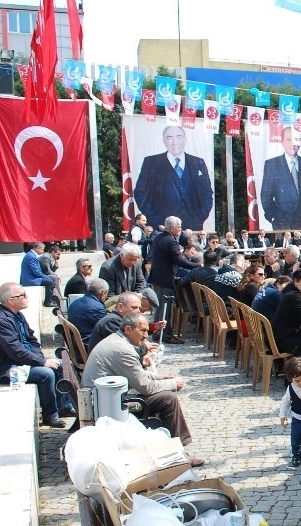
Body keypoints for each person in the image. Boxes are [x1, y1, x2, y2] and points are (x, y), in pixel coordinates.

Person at [83, 312, 205, 466]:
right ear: (128, 329)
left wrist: (164, 378)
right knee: (168, 399)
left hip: (107, 396)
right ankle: (178, 453)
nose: (146, 336)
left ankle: (174, 448)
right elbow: (145, 387)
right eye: (143, 331)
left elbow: (138, 376)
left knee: (165, 394)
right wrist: (173, 384)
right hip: (107, 404)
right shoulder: (122, 350)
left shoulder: (118, 341)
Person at [0, 282, 74, 428]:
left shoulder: (17, 315)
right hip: (4, 368)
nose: (26, 297)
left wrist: (40, 357)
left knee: (60, 364)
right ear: (11, 300)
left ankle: (63, 406)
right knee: (45, 374)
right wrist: (41, 362)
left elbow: (32, 339)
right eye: (22, 295)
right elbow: (15, 351)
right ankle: (51, 416)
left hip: (18, 361)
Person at [134, 126, 213, 230]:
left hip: (193, 228)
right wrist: (155, 219)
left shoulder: (198, 162)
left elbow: (207, 193)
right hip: (162, 228)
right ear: (164, 141)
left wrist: (199, 217)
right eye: (169, 137)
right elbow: (140, 192)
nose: (174, 142)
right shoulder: (151, 162)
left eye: (179, 137)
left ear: (185, 140)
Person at [148, 216, 198, 344]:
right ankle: (166, 335)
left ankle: (158, 332)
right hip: (165, 278)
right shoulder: (171, 241)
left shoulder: (158, 237)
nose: (181, 229)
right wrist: (197, 266)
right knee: (165, 308)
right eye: (179, 227)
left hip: (158, 276)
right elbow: (179, 260)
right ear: (171, 228)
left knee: (160, 307)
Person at [261, 127, 301, 230]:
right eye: (289, 140)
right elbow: (266, 195)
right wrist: (272, 217)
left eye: (296, 140)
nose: (292, 144)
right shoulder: (271, 164)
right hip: (282, 222)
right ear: (282, 142)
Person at [67, 278, 109, 343]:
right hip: (88, 345)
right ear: (103, 293)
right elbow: (107, 330)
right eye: (106, 294)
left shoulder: (76, 302)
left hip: (77, 342)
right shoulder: (97, 308)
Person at [21, 242, 60, 307]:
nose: (43, 251)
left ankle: (55, 297)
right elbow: (37, 272)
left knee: (52, 278)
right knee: (49, 281)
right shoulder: (31, 257)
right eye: (42, 249)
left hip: (31, 277)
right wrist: (47, 277)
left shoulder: (31, 255)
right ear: (37, 248)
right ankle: (48, 302)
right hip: (30, 280)